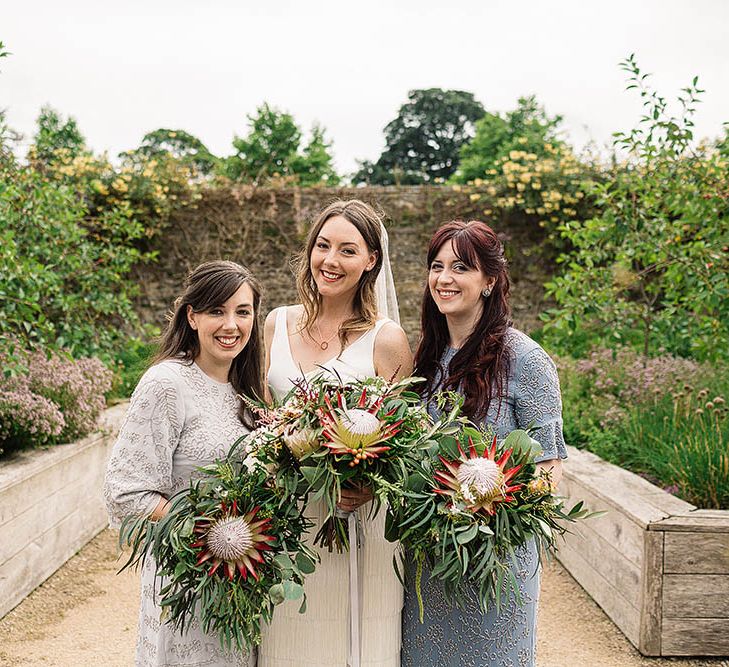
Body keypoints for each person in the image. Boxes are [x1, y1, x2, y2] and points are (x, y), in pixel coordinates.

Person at [401, 220, 567, 667]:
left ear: (489, 281)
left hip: (495, 563)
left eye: (461, 267)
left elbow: (547, 475)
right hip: (429, 562)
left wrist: (486, 514)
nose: (444, 278)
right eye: (436, 266)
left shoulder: (526, 361)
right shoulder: (426, 359)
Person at [257, 199, 412, 667]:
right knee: (287, 643)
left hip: (358, 524)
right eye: (323, 246)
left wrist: (368, 485)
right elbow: (266, 420)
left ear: (371, 261)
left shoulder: (387, 339)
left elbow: (407, 446)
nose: (331, 260)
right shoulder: (275, 323)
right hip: (288, 524)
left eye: (348, 250)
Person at [104, 260, 263, 667]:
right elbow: (124, 493)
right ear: (191, 316)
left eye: (242, 312)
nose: (231, 324)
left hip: (240, 583)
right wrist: (206, 527)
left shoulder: (249, 393)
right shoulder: (166, 384)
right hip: (184, 582)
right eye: (217, 311)